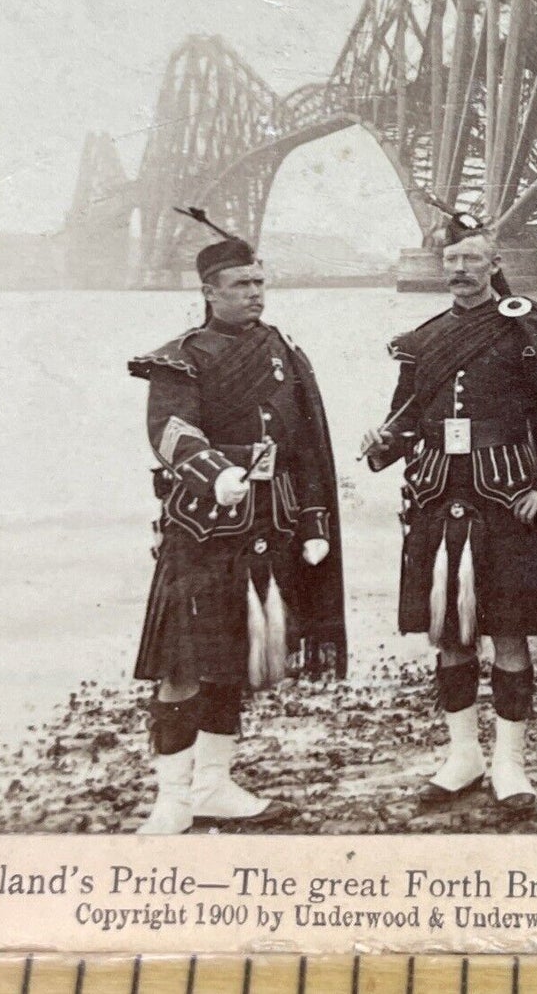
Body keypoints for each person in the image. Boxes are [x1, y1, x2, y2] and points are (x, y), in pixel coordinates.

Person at [362, 215, 537, 813]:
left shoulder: (529, 328)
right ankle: (462, 756)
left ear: (495, 264)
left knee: (511, 634)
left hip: (507, 501)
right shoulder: (424, 338)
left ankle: (511, 765)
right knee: (449, 632)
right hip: (439, 499)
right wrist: (380, 444)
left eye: (472, 260)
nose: (460, 271)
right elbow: (407, 417)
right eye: (451, 262)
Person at [128, 221, 347, 834]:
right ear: (209, 290)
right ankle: (172, 799)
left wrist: (311, 521)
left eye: (260, 282)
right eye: (242, 284)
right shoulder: (180, 356)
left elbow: (303, 445)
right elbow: (171, 431)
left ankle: (215, 784)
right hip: (200, 529)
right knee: (182, 664)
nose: (256, 293)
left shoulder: (282, 350)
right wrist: (213, 472)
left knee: (234, 658)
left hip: (266, 525)